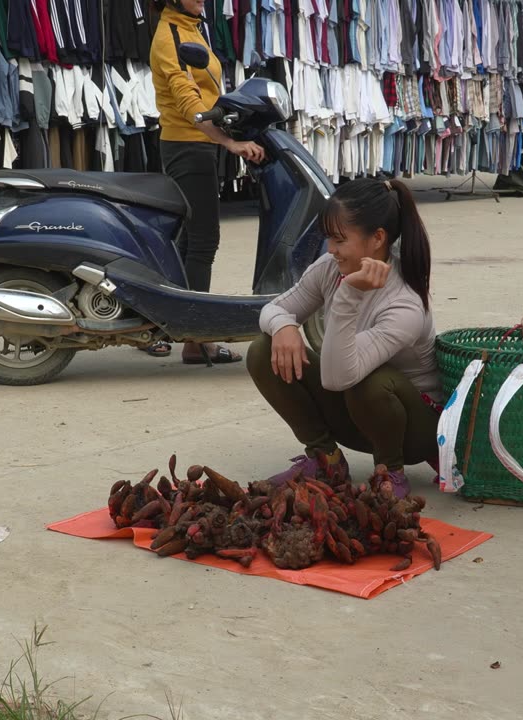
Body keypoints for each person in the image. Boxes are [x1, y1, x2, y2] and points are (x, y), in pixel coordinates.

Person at [247, 178, 440, 498]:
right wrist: (284, 326)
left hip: (414, 431)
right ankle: (326, 460)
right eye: (329, 239)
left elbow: (340, 376)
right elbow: (273, 309)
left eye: (339, 240)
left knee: (367, 378)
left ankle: (390, 471)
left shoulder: (405, 303)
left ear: (377, 238)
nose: (330, 250)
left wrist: (348, 295)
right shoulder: (329, 268)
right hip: (358, 411)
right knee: (262, 350)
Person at [147, 0, 265, 364]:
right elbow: (188, 100)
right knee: (202, 240)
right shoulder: (170, 35)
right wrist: (229, 142)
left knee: (187, 242)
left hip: (200, 144)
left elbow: (209, 88)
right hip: (187, 146)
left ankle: (184, 327)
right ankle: (197, 340)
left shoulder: (192, 26)